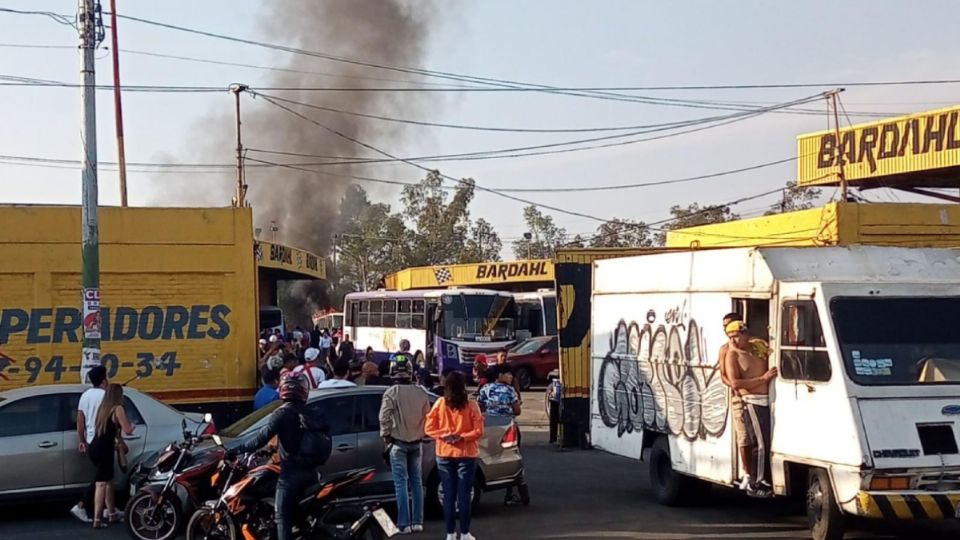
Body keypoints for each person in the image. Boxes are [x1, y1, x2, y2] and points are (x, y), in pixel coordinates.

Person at [230, 372, 329, 540]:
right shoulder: (312, 412)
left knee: (282, 517)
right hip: (312, 473)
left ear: (283, 389)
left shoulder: (282, 414)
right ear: (304, 390)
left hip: (290, 474)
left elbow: (259, 439)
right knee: (302, 517)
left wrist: (233, 450)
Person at [425, 372, 484, 540]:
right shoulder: (472, 405)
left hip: (444, 453)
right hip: (467, 453)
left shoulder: (440, 404)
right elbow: (479, 431)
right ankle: (465, 533)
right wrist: (462, 436)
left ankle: (450, 534)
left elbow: (428, 428)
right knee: (464, 495)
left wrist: (443, 435)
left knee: (448, 496)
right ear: (463, 387)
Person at [723, 320, 777, 498]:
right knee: (760, 443)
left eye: (736, 336)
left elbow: (772, 354)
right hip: (751, 400)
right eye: (730, 337)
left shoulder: (757, 346)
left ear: (745, 334)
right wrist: (763, 379)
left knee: (767, 441)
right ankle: (757, 481)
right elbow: (735, 382)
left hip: (767, 400)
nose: (734, 341)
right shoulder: (732, 355)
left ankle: (763, 477)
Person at [379, 362, 431, 534]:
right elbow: (428, 417)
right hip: (417, 443)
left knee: (401, 483)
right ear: (410, 373)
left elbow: (384, 417)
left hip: (398, 444)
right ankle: (418, 522)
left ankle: (404, 525)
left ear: (392, 374)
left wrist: (386, 436)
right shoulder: (421, 392)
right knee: (416, 482)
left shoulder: (391, 393)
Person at [477, 364, 525, 505]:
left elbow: (479, 407)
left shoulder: (485, 389)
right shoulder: (510, 391)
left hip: (489, 427)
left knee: (488, 455)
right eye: (508, 374)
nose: (511, 377)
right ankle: (510, 493)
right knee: (510, 457)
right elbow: (517, 411)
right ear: (500, 375)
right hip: (507, 428)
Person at [90, 384, 136, 528]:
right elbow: (127, 430)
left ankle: (112, 513)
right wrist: (132, 425)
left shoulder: (103, 409)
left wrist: (120, 443)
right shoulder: (118, 409)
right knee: (101, 483)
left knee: (109, 481)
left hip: (96, 448)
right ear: (118, 395)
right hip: (105, 450)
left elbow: (110, 431)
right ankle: (97, 520)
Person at [71, 366, 109, 523]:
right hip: (103, 440)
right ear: (104, 380)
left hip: (91, 440)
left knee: (106, 476)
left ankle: (110, 510)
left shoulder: (85, 396)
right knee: (101, 478)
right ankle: (82, 505)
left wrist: (82, 440)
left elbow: (80, 420)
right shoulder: (106, 396)